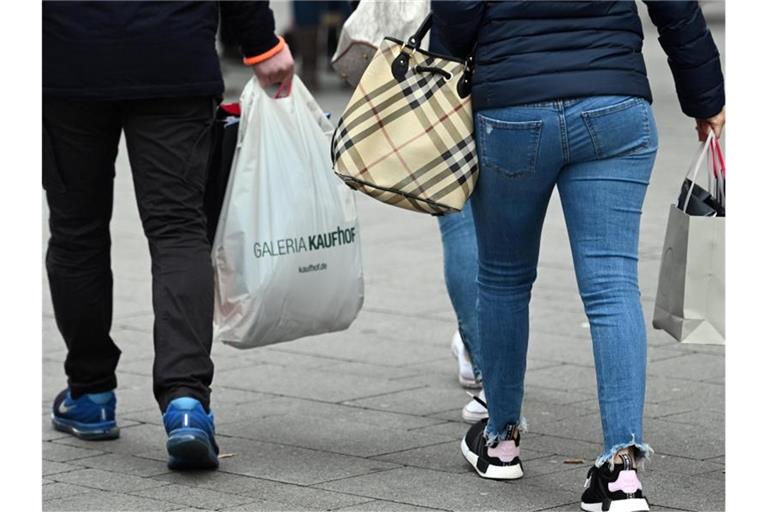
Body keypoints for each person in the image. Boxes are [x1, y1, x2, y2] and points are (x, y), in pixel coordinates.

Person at [431, 1, 725, 511]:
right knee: (613, 284)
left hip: (513, 106)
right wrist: (706, 100)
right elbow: (676, 8)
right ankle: (621, 472)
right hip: (614, 105)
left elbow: (457, 12)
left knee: (502, 277)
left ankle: (500, 442)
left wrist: (448, 68)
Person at [43, 1, 294, 470]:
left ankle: (91, 391)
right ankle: (186, 404)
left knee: (76, 232)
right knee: (179, 230)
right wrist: (260, 44)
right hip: (172, 52)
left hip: (66, 58)